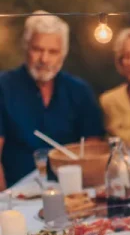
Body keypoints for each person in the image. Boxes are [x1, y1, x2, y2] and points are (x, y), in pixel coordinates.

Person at [0, 11, 104, 190]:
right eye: (37, 49)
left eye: (53, 51)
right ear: (26, 48)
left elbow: (93, 150)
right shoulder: (3, 86)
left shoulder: (79, 90)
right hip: (18, 194)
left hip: (72, 191)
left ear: (63, 54)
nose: (44, 59)